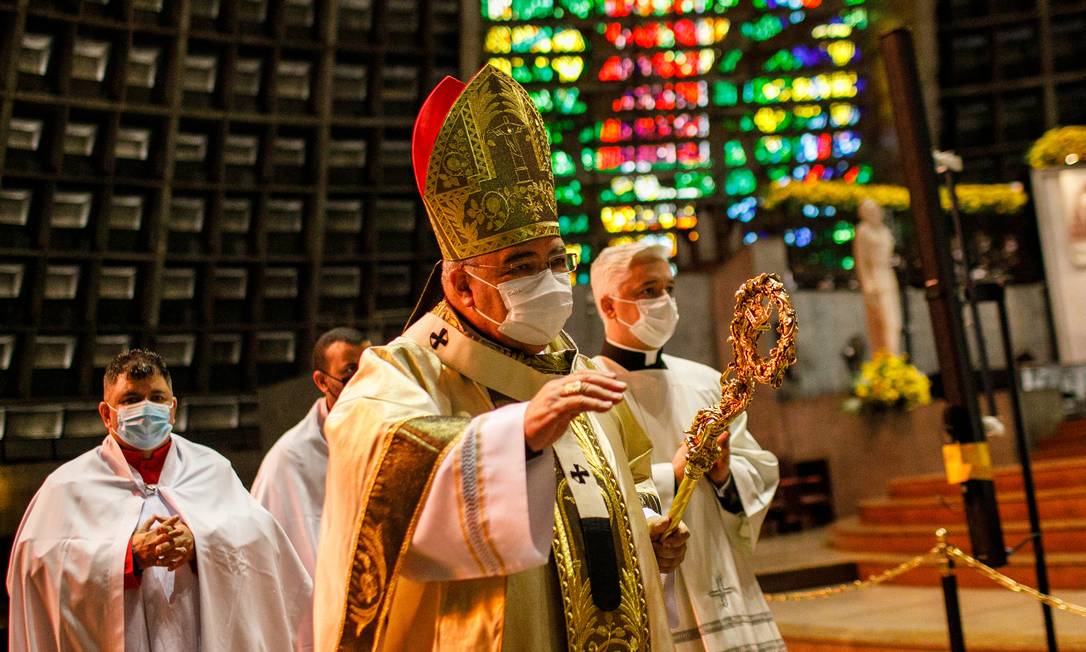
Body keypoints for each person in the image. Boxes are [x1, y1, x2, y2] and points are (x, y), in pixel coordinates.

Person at [314, 65, 688, 651]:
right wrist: (518, 438)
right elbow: (383, 491)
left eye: (556, 260)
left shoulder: (580, 373)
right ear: (461, 288)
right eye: (520, 266)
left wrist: (651, 526)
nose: (548, 280)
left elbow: (637, 480)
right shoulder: (400, 372)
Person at [7, 349, 312, 651]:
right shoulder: (67, 486)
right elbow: (35, 570)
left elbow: (264, 548)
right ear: (105, 414)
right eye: (130, 400)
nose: (146, 408)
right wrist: (127, 557)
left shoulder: (211, 469)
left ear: (173, 407)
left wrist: (201, 544)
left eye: (156, 397)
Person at [590, 242, 785, 651]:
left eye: (669, 288)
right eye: (648, 290)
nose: (664, 300)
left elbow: (759, 471)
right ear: (609, 306)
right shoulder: (587, 390)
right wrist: (672, 477)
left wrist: (725, 476)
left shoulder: (708, 381)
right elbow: (591, 493)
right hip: (653, 585)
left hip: (721, 573)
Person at [251, 328, 370, 647]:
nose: (365, 381)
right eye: (350, 373)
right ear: (321, 382)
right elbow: (262, 559)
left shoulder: (395, 433)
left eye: (371, 368)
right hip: (320, 618)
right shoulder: (288, 459)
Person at [854, 197, 902, 354]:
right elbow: (861, 260)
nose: (873, 213)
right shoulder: (863, 231)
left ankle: (893, 361)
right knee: (885, 323)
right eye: (868, 210)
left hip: (888, 275)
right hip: (875, 278)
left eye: (874, 209)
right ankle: (888, 362)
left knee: (895, 323)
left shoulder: (885, 230)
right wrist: (867, 283)